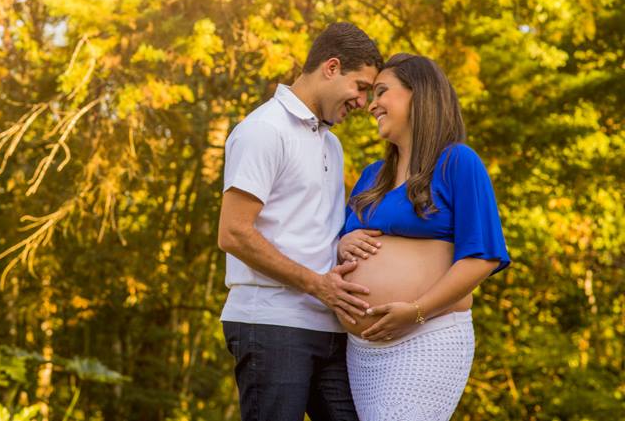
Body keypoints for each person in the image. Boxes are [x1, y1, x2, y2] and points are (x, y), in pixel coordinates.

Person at [218, 22, 383, 421]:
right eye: (360, 86)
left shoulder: (331, 142)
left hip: (331, 328)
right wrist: (317, 284)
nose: (363, 101)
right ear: (331, 67)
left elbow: (314, 227)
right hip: (272, 324)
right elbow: (233, 232)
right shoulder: (263, 130)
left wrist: (343, 244)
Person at [336, 53, 510, 421]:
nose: (371, 105)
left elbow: (483, 257)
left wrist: (416, 312)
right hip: (360, 350)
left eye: (382, 92)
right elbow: (342, 241)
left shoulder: (458, 163)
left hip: (427, 337)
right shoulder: (371, 175)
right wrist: (341, 244)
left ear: (419, 94)